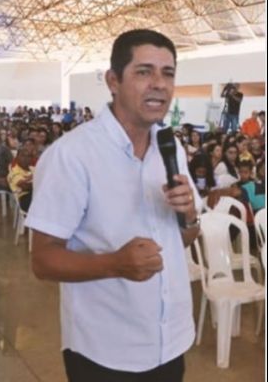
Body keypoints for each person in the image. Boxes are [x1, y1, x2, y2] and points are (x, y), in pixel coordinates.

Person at [26, 29, 200, 381]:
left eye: (168, 73)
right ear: (113, 81)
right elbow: (42, 260)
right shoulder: (72, 155)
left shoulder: (171, 149)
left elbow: (181, 239)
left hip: (171, 340)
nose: (159, 84)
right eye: (144, 71)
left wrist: (190, 217)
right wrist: (115, 264)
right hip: (105, 350)